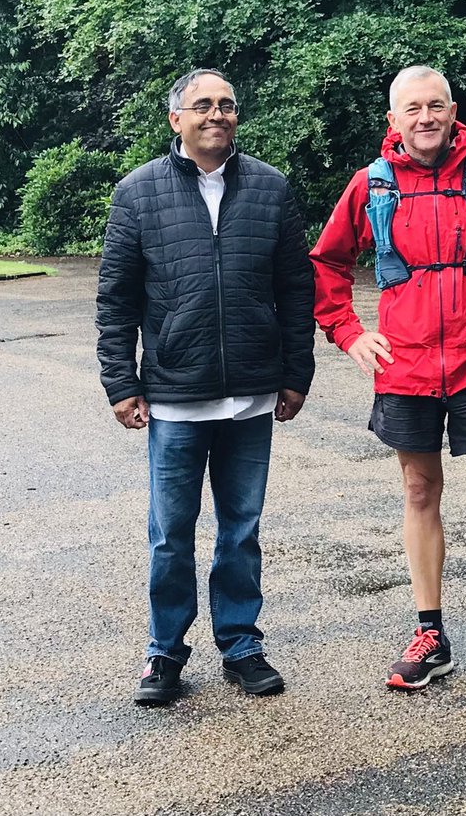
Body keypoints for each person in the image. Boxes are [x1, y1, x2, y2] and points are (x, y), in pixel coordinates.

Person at [310, 65, 466, 702]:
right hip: (407, 367)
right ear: (392, 122)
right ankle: (431, 636)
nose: (425, 118)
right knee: (420, 491)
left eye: (435, 106)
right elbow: (326, 263)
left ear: (454, 112)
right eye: (411, 110)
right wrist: (350, 333)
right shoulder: (371, 186)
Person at [96, 67, 315, 706]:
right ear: (176, 120)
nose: (216, 114)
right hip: (172, 397)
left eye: (226, 104)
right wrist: (121, 382)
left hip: (251, 394)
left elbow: (295, 291)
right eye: (202, 106)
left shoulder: (271, 189)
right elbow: (117, 299)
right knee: (171, 532)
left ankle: (241, 645)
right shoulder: (138, 193)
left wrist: (295, 373)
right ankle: (164, 653)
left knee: (241, 528)